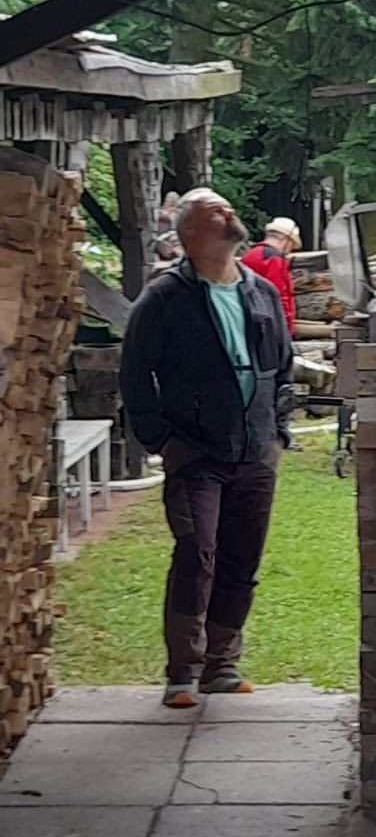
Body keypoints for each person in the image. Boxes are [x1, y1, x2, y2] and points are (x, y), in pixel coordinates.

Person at [120, 188, 293, 708]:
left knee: (242, 559)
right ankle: (183, 672)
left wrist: (278, 432)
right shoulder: (165, 297)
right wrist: (162, 441)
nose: (229, 213)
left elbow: (282, 367)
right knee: (197, 553)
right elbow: (135, 374)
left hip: (256, 451)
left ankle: (223, 665)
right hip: (195, 453)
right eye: (216, 210)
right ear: (191, 231)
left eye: (228, 207)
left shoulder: (261, 292)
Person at [242, 216, 300, 335]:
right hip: (272, 327)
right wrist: (286, 329)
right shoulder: (274, 259)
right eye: (291, 245)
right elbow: (279, 295)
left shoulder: (250, 255)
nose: (290, 250)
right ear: (285, 239)